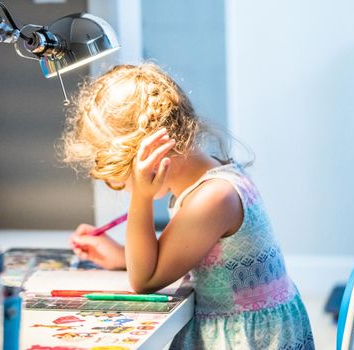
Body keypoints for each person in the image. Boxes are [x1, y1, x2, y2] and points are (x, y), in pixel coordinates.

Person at [60, 63, 314, 349]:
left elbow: (145, 280)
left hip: (248, 341)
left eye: (117, 177)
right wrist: (122, 256)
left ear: (149, 158)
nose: (118, 186)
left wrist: (141, 198)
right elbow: (179, 257)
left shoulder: (213, 198)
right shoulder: (211, 181)